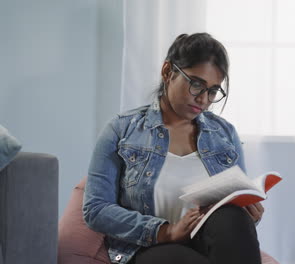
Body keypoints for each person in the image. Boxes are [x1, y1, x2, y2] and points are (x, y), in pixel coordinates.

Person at [83, 33, 264, 264]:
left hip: (210, 243)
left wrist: (249, 214)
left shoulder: (224, 134)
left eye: (213, 91)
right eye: (196, 84)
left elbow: (233, 217)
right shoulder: (121, 130)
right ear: (168, 71)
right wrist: (166, 231)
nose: (204, 99)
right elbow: (96, 209)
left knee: (232, 217)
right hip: (152, 246)